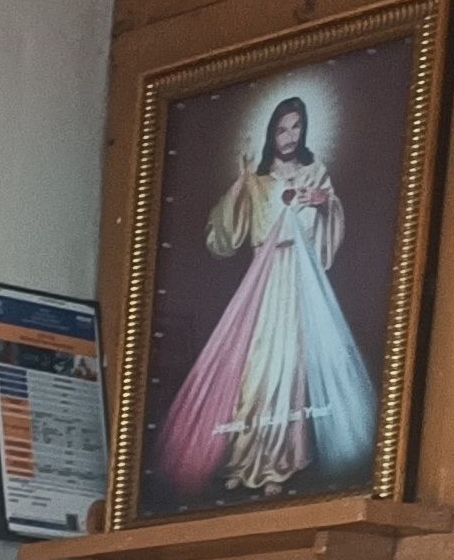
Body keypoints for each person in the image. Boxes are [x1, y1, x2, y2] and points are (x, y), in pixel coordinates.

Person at [155, 91, 379, 503]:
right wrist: (241, 182)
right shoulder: (257, 182)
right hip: (263, 281)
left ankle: (278, 464)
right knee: (253, 372)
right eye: (281, 128)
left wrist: (325, 204)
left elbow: (331, 229)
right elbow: (223, 238)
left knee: (288, 372)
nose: (289, 135)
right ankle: (243, 462)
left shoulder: (316, 173)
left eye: (296, 127)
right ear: (270, 134)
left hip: (299, 282)